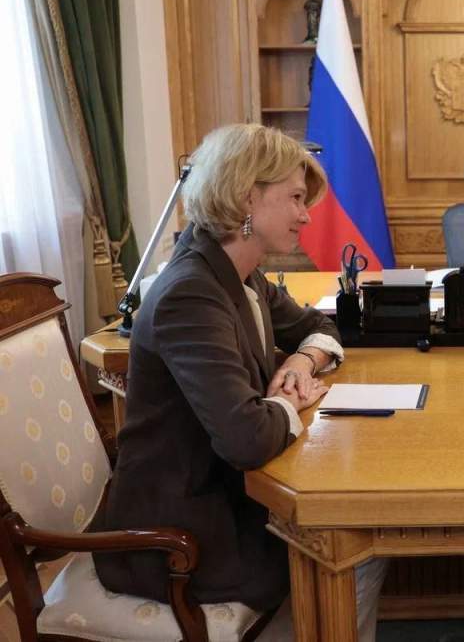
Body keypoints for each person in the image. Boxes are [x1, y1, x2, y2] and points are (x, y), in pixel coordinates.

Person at [95, 124, 386, 638]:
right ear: (248, 196)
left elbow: (320, 328)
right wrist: (288, 405)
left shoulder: (237, 269)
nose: (306, 214)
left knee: (358, 536)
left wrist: (301, 365)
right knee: (354, 544)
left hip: (226, 496)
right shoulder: (190, 294)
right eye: (295, 198)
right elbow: (246, 439)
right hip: (181, 533)